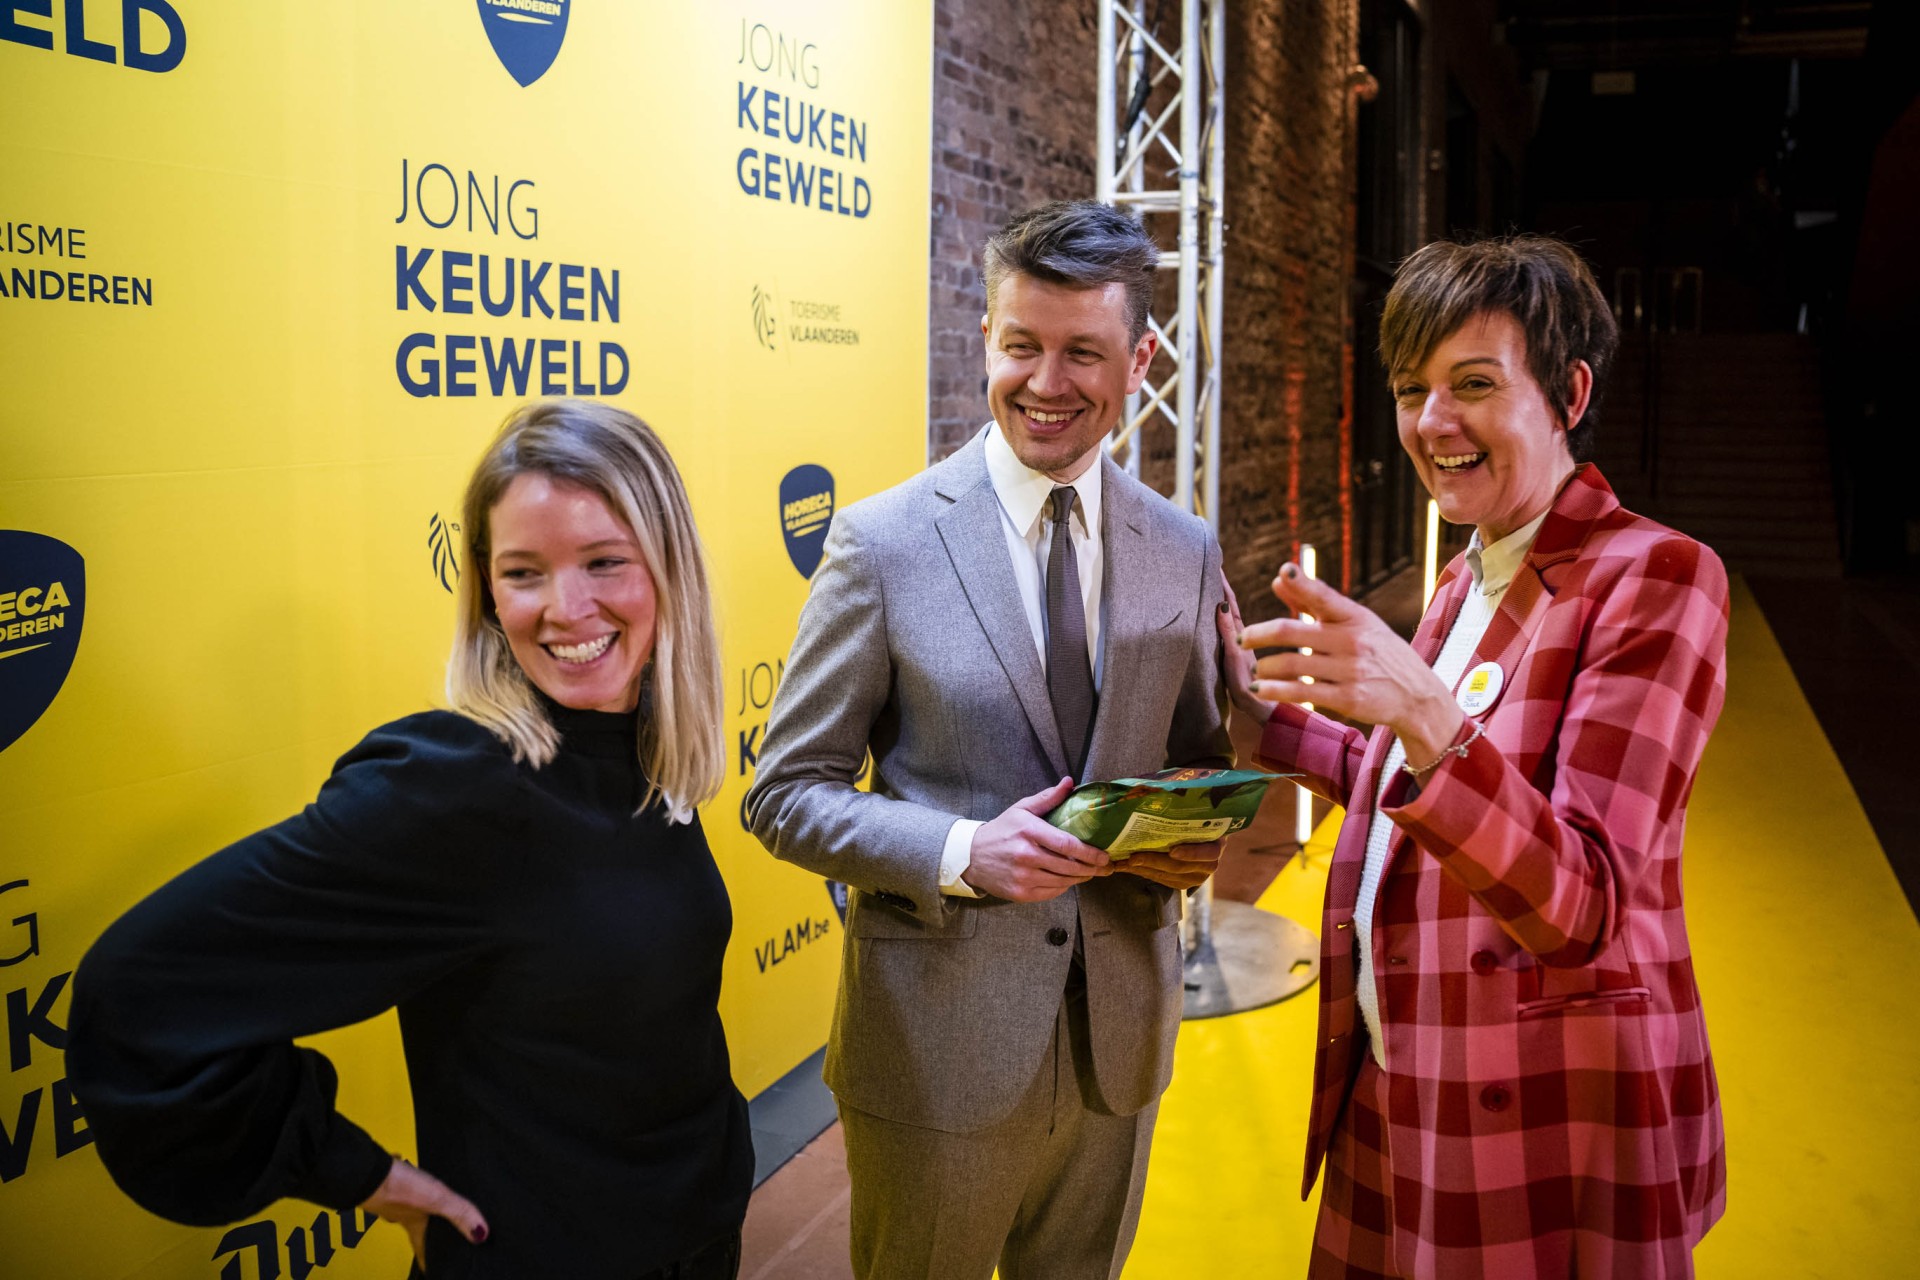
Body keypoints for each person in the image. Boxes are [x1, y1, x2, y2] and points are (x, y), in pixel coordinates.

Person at [66, 400, 753, 1279]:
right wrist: (356, 1174)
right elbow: (138, 997)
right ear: (486, 589)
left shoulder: (646, 741)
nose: (566, 608)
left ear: (668, 566)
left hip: (700, 1229)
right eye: (524, 572)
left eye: (604, 562)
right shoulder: (454, 787)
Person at [1221, 235, 1728, 1278]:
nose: (1432, 422)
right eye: (1413, 389)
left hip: (1540, 1101)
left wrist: (1417, 701)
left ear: (1569, 393)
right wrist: (1249, 717)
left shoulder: (1658, 575)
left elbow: (1581, 902)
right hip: (1404, 1064)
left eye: (1476, 384)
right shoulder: (1471, 572)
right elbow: (1404, 786)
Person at [746, 199, 1233, 1280]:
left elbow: (1196, 758)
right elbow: (784, 793)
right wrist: (966, 853)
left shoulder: (1184, 548)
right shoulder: (882, 544)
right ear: (985, 339)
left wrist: (1190, 835)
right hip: (934, 1054)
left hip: (1118, 1051)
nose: (1045, 382)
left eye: (1082, 352)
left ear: (1141, 360)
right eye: (1021, 346)